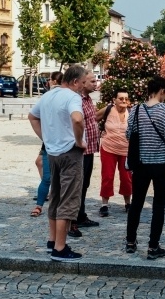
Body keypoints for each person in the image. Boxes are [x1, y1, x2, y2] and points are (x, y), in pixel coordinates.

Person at [28, 64, 87, 262]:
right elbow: (78, 120)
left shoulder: (48, 95)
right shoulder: (72, 97)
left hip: (52, 152)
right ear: (75, 81)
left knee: (56, 196)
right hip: (70, 152)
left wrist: (46, 138)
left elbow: (32, 116)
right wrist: (79, 141)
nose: (83, 87)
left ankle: (52, 241)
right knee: (68, 199)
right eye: (83, 83)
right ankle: (60, 248)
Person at [124, 76, 165, 259]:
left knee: (136, 203)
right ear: (162, 91)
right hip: (162, 164)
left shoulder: (136, 109)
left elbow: (128, 134)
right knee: (159, 204)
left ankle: (130, 242)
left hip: (141, 164)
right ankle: (153, 246)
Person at [69, 70, 100, 237]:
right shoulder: (77, 100)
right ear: (82, 83)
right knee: (76, 186)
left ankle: (80, 215)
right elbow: (76, 121)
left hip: (90, 149)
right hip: (81, 149)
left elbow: (92, 119)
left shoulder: (88, 99)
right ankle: (72, 221)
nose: (95, 83)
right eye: (92, 81)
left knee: (85, 184)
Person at [97, 88, 132, 217]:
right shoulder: (108, 110)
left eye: (126, 99)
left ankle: (128, 203)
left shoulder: (132, 112)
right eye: (121, 98)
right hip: (108, 148)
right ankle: (104, 205)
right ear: (115, 100)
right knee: (107, 176)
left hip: (126, 150)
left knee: (126, 177)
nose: (124, 101)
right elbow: (93, 119)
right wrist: (99, 133)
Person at [31, 72, 62, 218]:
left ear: (54, 81)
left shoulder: (58, 96)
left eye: (49, 80)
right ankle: (40, 203)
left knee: (52, 176)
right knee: (47, 175)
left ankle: (50, 201)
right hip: (49, 142)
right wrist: (43, 136)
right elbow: (33, 116)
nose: (47, 82)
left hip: (59, 142)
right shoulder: (47, 97)